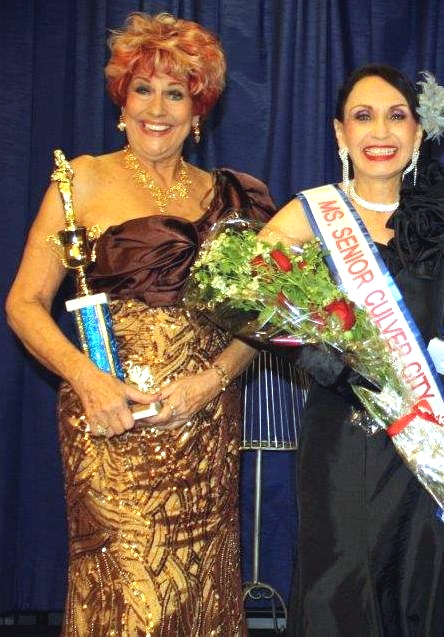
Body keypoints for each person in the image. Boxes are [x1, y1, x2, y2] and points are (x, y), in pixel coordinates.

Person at [5, 12, 276, 636]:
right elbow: (23, 303)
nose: (159, 107)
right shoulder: (83, 179)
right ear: (122, 101)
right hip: (112, 421)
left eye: (176, 92)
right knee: (131, 599)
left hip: (205, 423)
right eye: (144, 89)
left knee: (202, 591)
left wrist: (210, 383)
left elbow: (261, 318)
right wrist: (86, 379)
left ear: (199, 107)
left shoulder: (229, 195)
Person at [259, 64, 444, 636]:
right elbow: (242, 301)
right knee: (345, 580)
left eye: (396, 116)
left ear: (416, 132)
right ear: (340, 133)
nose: (379, 132)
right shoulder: (307, 215)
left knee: (430, 574)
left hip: (429, 436)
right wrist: (304, 347)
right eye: (363, 117)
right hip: (343, 438)